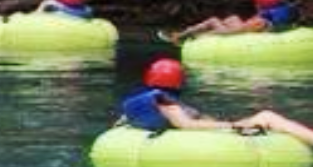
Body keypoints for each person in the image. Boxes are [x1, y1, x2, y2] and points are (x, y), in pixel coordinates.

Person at [116, 58, 313, 148]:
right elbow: (186, 125)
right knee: (268, 116)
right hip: (207, 140)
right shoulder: (163, 100)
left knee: (264, 118)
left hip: (170, 138)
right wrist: (231, 125)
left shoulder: (135, 101)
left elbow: (124, 121)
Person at [172, 0, 297, 42]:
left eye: (258, 3)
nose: (256, 5)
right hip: (245, 28)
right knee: (233, 18)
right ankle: (184, 33)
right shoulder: (278, 14)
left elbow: (232, 34)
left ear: (262, 4)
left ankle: (182, 35)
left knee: (213, 20)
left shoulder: (260, 22)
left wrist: (202, 35)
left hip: (237, 34)